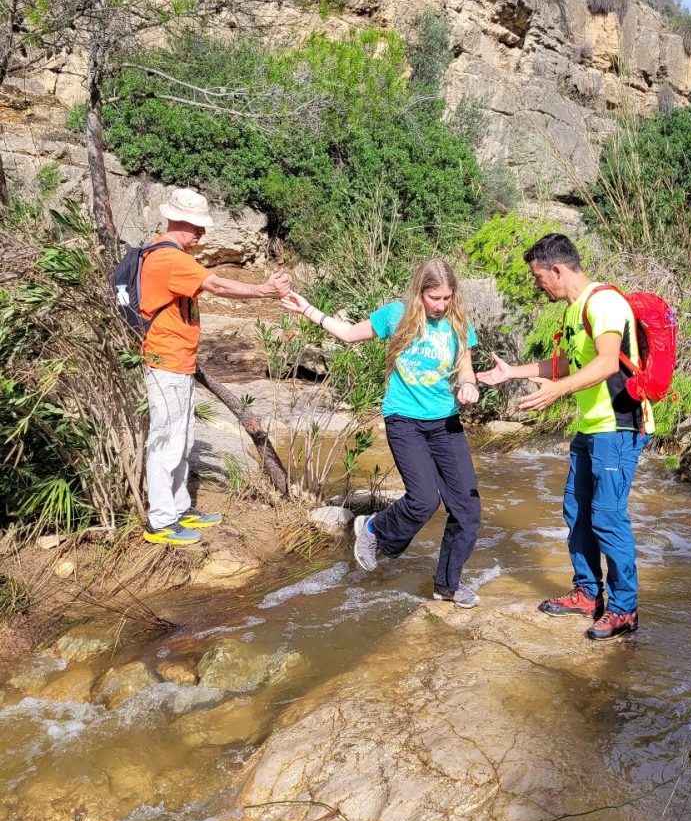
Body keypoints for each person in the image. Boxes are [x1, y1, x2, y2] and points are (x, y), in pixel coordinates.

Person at [477, 233, 652, 640]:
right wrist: (513, 372)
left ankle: (625, 609)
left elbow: (608, 363)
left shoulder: (603, 302)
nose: (538, 285)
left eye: (539, 277)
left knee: (608, 518)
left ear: (556, 269)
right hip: (590, 427)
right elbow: (566, 362)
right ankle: (589, 594)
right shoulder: (574, 310)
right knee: (576, 511)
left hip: (619, 425)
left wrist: (557, 391)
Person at [281, 259, 483, 608]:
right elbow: (347, 335)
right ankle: (373, 529)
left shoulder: (458, 322)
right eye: (435, 297)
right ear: (420, 293)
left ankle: (448, 586)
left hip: (446, 422)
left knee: (468, 509)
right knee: (424, 500)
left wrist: (468, 385)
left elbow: (466, 368)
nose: (441, 305)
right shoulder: (397, 315)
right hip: (404, 419)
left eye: (448, 297)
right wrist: (308, 309)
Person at [141, 187, 290, 545]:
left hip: (178, 363)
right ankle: (161, 522)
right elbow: (218, 286)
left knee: (183, 438)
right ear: (178, 220)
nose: (202, 233)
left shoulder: (167, 254)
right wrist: (265, 292)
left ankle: (178, 510)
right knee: (167, 442)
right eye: (197, 227)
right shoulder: (170, 259)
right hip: (166, 363)